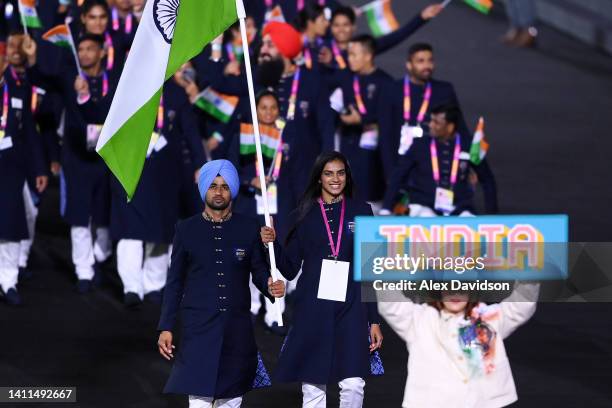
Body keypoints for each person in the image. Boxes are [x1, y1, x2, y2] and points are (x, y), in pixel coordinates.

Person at [157, 159, 286, 408]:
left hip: (236, 331)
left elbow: (258, 271)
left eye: (225, 187)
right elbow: (175, 283)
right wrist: (166, 326)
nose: (219, 192)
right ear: (204, 189)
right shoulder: (186, 229)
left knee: (231, 401)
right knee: (199, 402)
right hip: (198, 329)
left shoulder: (249, 228)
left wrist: (269, 286)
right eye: (214, 186)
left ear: (233, 191)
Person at [261, 151, 383, 408]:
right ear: (319, 178)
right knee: (313, 384)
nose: (335, 179)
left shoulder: (363, 212)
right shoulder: (302, 214)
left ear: (347, 177)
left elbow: (370, 269)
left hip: (352, 307)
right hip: (312, 307)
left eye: (340, 173)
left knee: (353, 383)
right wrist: (271, 245)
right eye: (328, 173)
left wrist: (374, 320)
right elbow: (290, 268)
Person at [24, 33, 117, 293]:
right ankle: (83, 271)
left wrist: (86, 96)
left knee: (104, 215)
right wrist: (32, 57)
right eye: (81, 49)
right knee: (79, 216)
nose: (85, 53)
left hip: (106, 157)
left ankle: (100, 255)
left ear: (102, 52)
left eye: (90, 49)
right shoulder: (69, 78)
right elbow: (38, 80)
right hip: (76, 156)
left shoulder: (116, 79)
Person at [110, 63, 206, 308]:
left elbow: (190, 131)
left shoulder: (175, 93)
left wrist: (200, 164)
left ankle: (153, 283)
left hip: (166, 173)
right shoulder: (127, 90)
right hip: (132, 168)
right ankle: (132, 286)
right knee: (130, 227)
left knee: (161, 229)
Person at [376, 282, 539, 407]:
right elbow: (391, 305)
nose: (455, 293)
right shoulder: (419, 319)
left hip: (482, 402)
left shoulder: (488, 316)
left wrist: (530, 277)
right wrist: (381, 269)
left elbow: (521, 305)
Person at [232, 90, 290, 334]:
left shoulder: (284, 138)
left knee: (276, 255)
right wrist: (250, 180)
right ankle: (251, 306)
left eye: (272, 108)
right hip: (249, 204)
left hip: (277, 206)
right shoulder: (245, 135)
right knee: (251, 255)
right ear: (255, 111)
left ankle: (275, 313)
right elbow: (231, 168)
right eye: (263, 107)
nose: (268, 112)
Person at [0, 31, 48, 306]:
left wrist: (39, 168)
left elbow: (31, 133)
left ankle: (8, 281)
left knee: (9, 225)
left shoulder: (19, 89)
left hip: (10, 168)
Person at [381, 104, 497, 217]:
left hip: (459, 206)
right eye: (431, 120)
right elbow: (398, 175)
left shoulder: (469, 145)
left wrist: (492, 215)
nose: (430, 125)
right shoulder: (419, 145)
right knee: (426, 220)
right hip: (424, 204)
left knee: (469, 222)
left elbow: (487, 180)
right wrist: (386, 207)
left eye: (436, 123)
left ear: (450, 127)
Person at [378, 42, 472, 182]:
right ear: (409, 65)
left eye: (430, 60)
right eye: (420, 61)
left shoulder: (444, 90)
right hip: (400, 160)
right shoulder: (392, 90)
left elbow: (460, 128)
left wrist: (469, 164)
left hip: (434, 162)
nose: (427, 66)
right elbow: (385, 134)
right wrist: (390, 174)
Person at [330, 34, 393, 209]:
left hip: (373, 152)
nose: (349, 58)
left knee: (369, 200)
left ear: (368, 56)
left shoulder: (385, 82)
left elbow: (388, 118)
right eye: (348, 54)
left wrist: (363, 119)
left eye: (353, 54)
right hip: (347, 144)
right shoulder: (345, 77)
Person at [319, 3, 444, 74]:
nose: (341, 29)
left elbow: (396, 37)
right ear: (330, 27)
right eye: (336, 25)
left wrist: (421, 18)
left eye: (346, 24)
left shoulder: (364, 47)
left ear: (353, 27)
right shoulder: (322, 48)